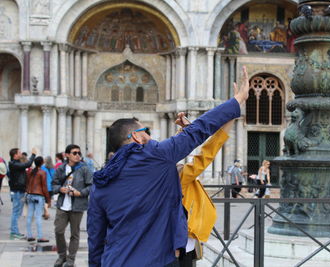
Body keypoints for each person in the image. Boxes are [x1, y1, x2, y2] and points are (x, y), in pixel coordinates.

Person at [87, 67, 249, 266]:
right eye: (145, 130)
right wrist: (237, 101)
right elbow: (199, 131)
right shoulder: (156, 156)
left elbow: (95, 236)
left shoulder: (101, 181)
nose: (149, 134)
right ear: (136, 136)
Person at [177, 117, 234, 266]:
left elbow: (173, 149)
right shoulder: (179, 176)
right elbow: (207, 154)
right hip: (180, 246)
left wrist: (187, 132)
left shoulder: (155, 172)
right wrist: (232, 116)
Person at [52, 144, 93, 267]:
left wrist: (80, 193)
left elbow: (91, 186)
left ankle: (71, 260)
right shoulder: (60, 169)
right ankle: (61, 256)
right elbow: (53, 185)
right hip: (62, 205)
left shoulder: (84, 168)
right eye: (74, 153)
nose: (77, 155)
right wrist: (60, 189)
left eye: (79, 153)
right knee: (59, 231)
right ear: (67, 155)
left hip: (77, 206)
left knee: (74, 234)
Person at [8, 147, 36, 240]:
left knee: (17, 212)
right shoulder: (13, 164)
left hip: (20, 190)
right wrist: (33, 155)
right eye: (19, 152)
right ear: (15, 155)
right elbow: (27, 164)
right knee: (16, 212)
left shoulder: (16, 163)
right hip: (17, 191)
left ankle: (15, 231)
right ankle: (14, 232)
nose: (21, 154)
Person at [26, 156, 51, 242]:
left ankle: (29, 235)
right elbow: (44, 187)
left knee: (29, 216)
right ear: (42, 163)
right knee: (38, 216)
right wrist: (48, 199)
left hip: (30, 195)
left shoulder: (30, 172)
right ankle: (40, 237)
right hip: (38, 195)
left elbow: (27, 184)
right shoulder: (42, 172)